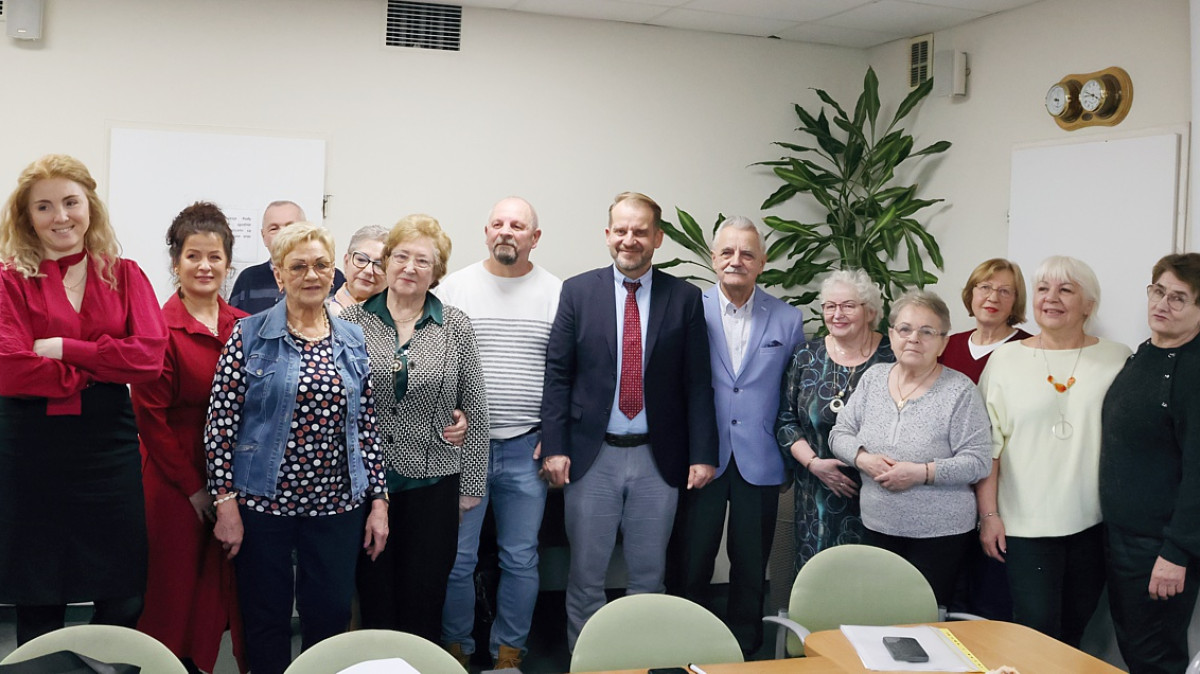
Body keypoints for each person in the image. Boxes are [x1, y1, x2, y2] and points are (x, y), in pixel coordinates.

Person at [204, 222, 389, 674]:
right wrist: (225, 503)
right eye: (299, 266)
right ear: (279, 274)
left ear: (333, 273)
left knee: (327, 618)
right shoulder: (249, 335)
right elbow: (220, 424)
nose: (312, 275)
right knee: (264, 620)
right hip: (263, 504)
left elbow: (366, 424)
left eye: (321, 265)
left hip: (337, 506)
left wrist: (379, 500)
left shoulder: (352, 338)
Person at [0, 154, 168, 644]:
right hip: (29, 445)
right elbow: (9, 367)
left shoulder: (126, 273)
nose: (61, 217)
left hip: (106, 444)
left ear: (89, 206)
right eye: (44, 207)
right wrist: (93, 370)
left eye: (70, 202)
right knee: (38, 594)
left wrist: (61, 350)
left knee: (124, 594)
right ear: (26, 217)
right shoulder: (9, 279)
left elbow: (149, 358)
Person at [541, 191, 718, 650]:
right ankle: (589, 660)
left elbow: (698, 383)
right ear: (607, 235)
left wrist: (703, 453)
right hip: (590, 457)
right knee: (585, 576)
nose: (630, 239)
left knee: (648, 575)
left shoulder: (684, 298)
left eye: (640, 231)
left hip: (657, 462)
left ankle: (641, 657)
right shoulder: (578, 291)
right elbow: (558, 375)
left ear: (657, 238)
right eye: (621, 230)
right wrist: (556, 446)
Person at [342, 214, 489, 645]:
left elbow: (476, 411)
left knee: (424, 601)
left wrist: (471, 485)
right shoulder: (350, 323)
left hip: (433, 483)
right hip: (366, 488)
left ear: (436, 272)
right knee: (375, 598)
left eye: (422, 261)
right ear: (386, 263)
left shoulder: (456, 326)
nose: (409, 267)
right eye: (401, 256)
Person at [977, 255, 1131, 647]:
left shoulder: (1118, 358)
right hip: (1024, 523)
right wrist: (989, 515)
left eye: (1066, 289)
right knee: (1035, 631)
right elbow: (989, 446)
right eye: (1043, 288)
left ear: (1089, 305)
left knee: (1076, 629)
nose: (1051, 298)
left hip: (1093, 523)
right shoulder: (1006, 358)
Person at [436, 197, 561, 671]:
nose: (507, 231)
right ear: (485, 231)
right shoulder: (453, 288)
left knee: (521, 559)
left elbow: (564, 373)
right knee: (458, 559)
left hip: (526, 447)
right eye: (498, 223)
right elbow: (436, 364)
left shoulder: (555, 292)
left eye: (518, 225)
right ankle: (454, 649)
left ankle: (509, 654)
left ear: (535, 237)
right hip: (463, 449)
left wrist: (555, 433)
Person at [132, 202, 248, 673]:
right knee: (174, 589)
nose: (204, 266)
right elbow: (150, 420)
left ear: (227, 263)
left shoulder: (244, 325)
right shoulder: (155, 328)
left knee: (221, 589)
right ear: (175, 262)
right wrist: (194, 489)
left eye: (214, 257)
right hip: (173, 478)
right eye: (193, 256)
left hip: (233, 480)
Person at [683, 216, 804, 656]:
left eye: (747, 253)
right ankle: (688, 646)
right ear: (714, 259)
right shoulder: (689, 308)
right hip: (703, 457)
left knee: (751, 566)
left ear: (762, 262)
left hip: (761, 459)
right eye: (728, 252)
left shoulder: (788, 319)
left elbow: (793, 392)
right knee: (692, 562)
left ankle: (744, 651)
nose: (737, 260)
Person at [829, 290, 993, 605]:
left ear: (944, 341)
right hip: (877, 525)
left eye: (927, 331)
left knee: (924, 623)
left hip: (940, 536)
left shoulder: (960, 391)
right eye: (905, 329)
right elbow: (840, 434)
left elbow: (977, 462)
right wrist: (864, 460)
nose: (914, 338)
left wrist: (921, 473)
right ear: (891, 335)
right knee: (877, 614)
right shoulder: (873, 379)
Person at [1100, 253, 1200, 674]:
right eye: (1158, 291)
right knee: (1136, 651)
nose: (1162, 304)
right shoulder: (1145, 353)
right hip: (1124, 537)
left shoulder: (1194, 370)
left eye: (1178, 298)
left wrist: (1176, 553)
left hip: (1159, 548)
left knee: (1154, 658)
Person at [775, 268, 894, 573]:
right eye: (830, 306)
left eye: (848, 306)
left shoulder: (892, 356)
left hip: (878, 493)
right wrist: (814, 464)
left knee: (872, 582)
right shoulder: (806, 356)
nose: (837, 314)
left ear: (870, 312)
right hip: (816, 492)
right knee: (820, 579)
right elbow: (786, 420)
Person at [940, 258, 1030, 620]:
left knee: (991, 600)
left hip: (1002, 492)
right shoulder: (946, 346)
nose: (992, 297)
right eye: (984, 287)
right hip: (949, 492)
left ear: (1016, 301)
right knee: (951, 595)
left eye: (1004, 290)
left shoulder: (1028, 348)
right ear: (971, 293)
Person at [227, 200, 344, 314]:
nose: (282, 234)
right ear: (264, 236)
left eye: (291, 227)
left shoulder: (331, 277)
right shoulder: (248, 278)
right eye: (274, 228)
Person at [328, 224, 389, 316]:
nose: (368, 271)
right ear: (346, 262)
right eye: (361, 260)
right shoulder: (325, 316)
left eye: (379, 265)